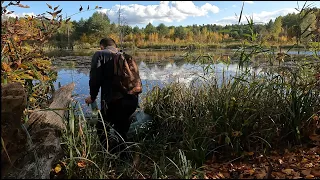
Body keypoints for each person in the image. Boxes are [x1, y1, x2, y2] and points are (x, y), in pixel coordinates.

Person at [85, 38, 139, 153]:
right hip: (132, 99)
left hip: (113, 102)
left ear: (102, 46)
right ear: (115, 46)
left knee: (101, 128)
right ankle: (124, 160)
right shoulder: (125, 56)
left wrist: (92, 97)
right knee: (121, 131)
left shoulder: (100, 54)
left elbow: (95, 80)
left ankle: (106, 154)